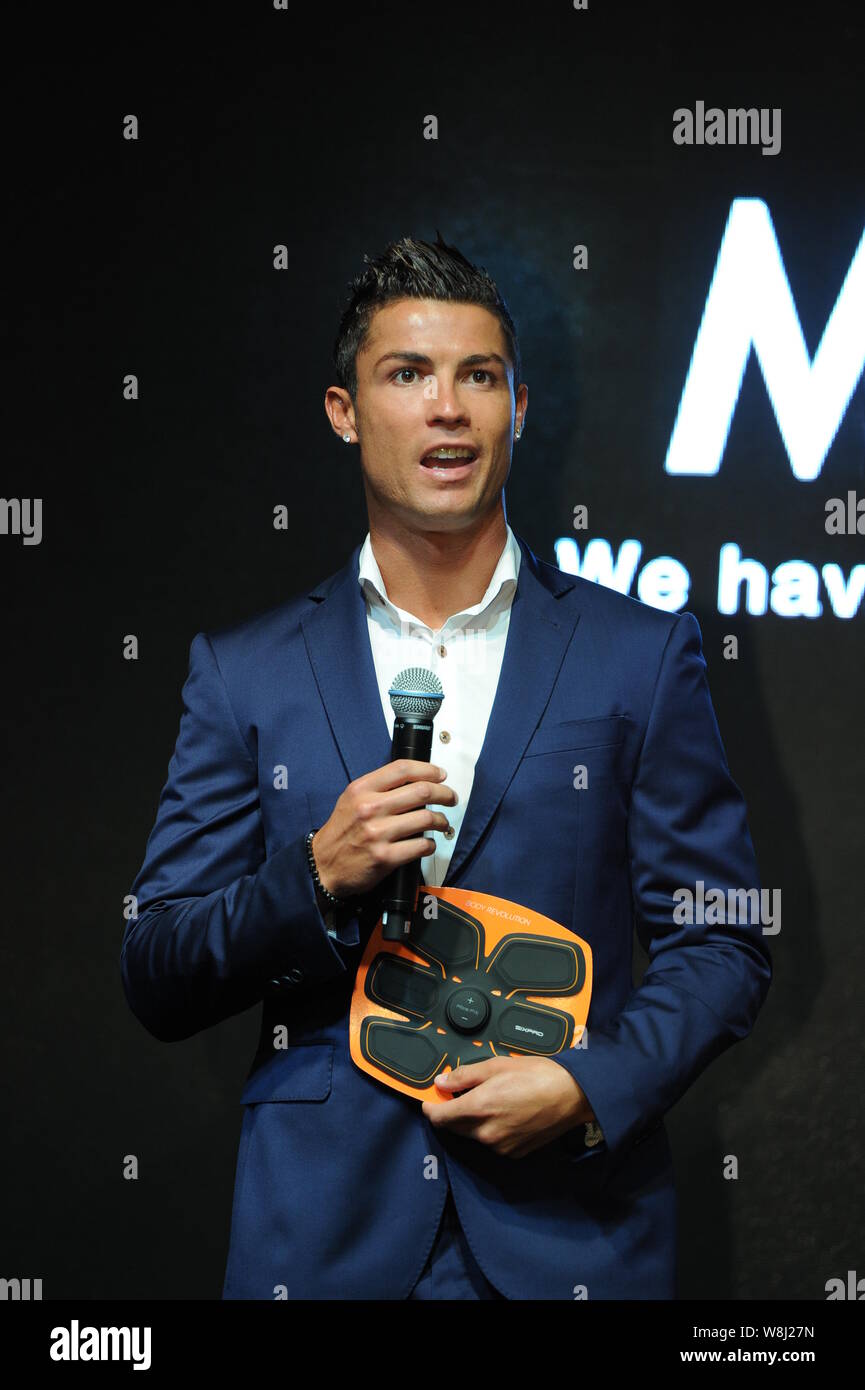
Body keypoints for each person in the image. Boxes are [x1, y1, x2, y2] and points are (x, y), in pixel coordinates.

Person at [121, 231, 772, 1300]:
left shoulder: (640, 654)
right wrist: (314, 876)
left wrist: (585, 1083)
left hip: (571, 1230)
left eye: (479, 376)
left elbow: (723, 933)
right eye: (407, 374)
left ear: (518, 407)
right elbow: (157, 965)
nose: (447, 407)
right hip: (321, 1244)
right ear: (344, 412)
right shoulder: (244, 672)